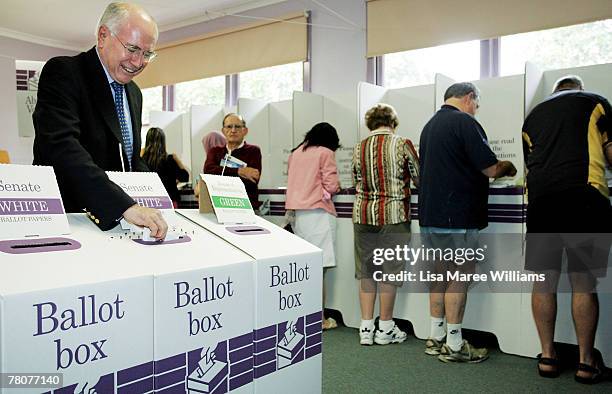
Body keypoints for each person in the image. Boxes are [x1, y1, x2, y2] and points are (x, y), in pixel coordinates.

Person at [32, 2, 167, 239]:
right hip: (71, 221)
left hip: (123, 226)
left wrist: (160, 201)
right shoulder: (65, 72)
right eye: (133, 48)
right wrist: (123, 205)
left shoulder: (134, 93)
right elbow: (61, 148)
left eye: (147, 54)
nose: (138, 63)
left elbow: (130, 159)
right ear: (103, 36)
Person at [523, 75, 612, 383]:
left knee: (543, 282)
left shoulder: (532, 115)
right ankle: (586, 363)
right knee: (582, 281)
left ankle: (548, 357)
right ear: (579, 87)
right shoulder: (595, 102)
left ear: (554, 91)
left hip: (541, 202)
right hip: (583, 197)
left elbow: (531, 162)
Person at [419, 82, 516, 362]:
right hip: (458, 215)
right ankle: (455, 344)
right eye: (477, 103)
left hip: (431, 214)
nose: (476, 109)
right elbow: (490, 168)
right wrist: (509, 166)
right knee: (460, 276)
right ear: (469, 97)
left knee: (440, 276)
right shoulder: (464, 122)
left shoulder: (430, 125)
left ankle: (436, 337)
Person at [353, 104, 420, 346]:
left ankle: (365, 327)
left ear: (370, 123)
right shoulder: (402, 144)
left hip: (363, 214)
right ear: (393, 122)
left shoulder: (359, 146)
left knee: (367, 271)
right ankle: (386, 327)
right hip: (394, 215)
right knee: (389, 272)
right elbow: (419, 177)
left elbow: (355, 178)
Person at [286, 122, 341, 331]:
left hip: (299, 216)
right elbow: (331, 185)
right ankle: (321, 319)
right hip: (319, 214)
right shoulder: (325, 153)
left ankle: (304, 316)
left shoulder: (295, 153)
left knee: (305, 270)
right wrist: (334, 189)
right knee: (319, 271)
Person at [204, 113, 262, 211]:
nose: (233, 130)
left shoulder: (253, 151)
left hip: (246, 207)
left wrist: (220, 178)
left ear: (245, 130)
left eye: (238, 127)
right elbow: (208, 171)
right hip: (220, 207)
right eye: (229, 127)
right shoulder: (215, 151)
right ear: (223, 131)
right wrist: (239, 172)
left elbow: (251, 181)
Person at [142, 127, 189, 207]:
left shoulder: (142, 161)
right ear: (163, 141)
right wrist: (178, 161)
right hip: (169, 200)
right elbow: (184, 177)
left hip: (149, 202)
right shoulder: (170, 160)